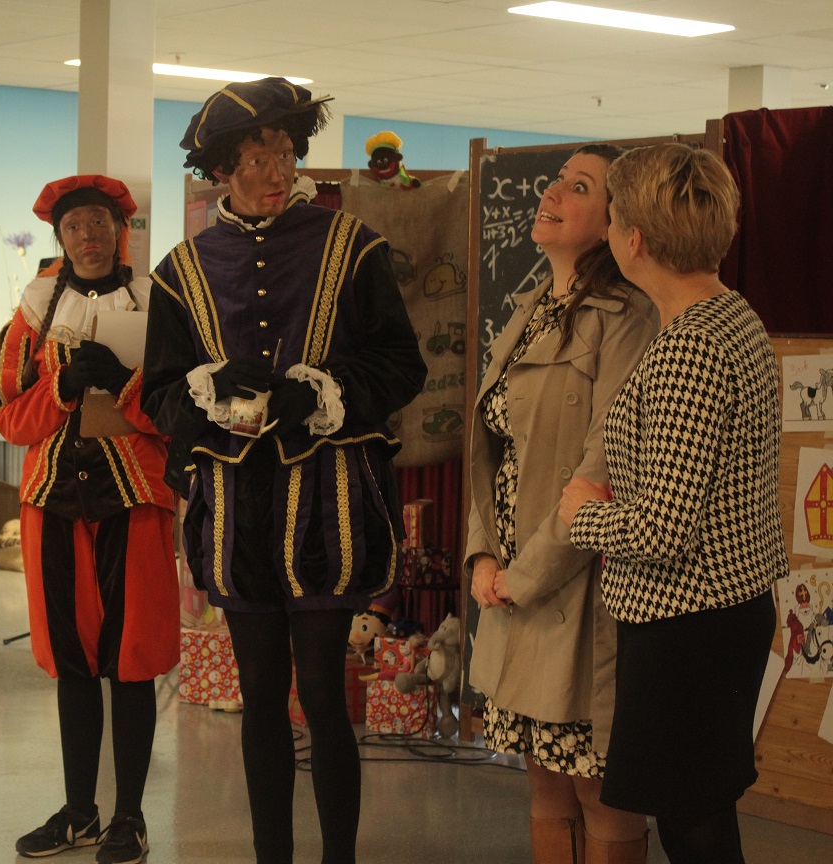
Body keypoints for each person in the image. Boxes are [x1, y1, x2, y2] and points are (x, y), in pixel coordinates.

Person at [140, 77, 427, 864]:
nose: (277, 171)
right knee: (261, 694)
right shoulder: (180, 271)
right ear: (220, 171)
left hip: (328, 507)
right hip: (237, 512)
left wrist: (321, 391)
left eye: (284, 153)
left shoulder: (352, 245)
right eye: (256, 158)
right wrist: (205, 391)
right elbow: (160, 393)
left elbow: (401, 365)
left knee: (326, 697)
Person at [559, 143, 784, 864]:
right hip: (720, 613)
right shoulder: (732, 316)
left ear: (635, 239)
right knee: (700, 817)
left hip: (689, 623)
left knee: (694, 827)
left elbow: (662, 531)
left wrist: (582, 513)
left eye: (612, 215)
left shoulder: (690, 348)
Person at [465, 144, 659, 863]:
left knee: (599, 789)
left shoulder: (628, 316)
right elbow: (492, 450)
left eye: (579, 187)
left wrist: (525, 577)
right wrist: (483, 556)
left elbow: (601, 470)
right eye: (556, 180)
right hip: (511, 584)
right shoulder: (530, 308)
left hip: (577, 589)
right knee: (543, 781)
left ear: (615, 222)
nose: (551, 193)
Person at [0, 174, 177, 864]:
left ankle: (129, 817)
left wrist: (125, 385)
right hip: (53, 503)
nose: (88, 237)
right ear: (60, 239)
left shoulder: (159, 306)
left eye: (98, 223)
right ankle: (78, 813)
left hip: (134, 500)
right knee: (72, 662)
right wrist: (61, 388)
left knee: (131, 661)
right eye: (74, 227)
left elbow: (182, 412)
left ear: (120, 231)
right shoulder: (35, 313)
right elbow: (10, 417)